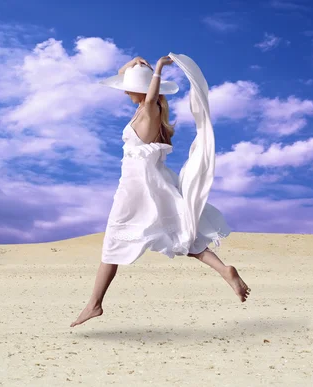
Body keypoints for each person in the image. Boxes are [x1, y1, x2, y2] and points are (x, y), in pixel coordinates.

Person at [70, 54, 250, 328]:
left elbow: (151, 96)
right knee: (180, 235)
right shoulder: (143, 110)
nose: (125, 90)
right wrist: (133, 63)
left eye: (131, 87)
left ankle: (94, 304)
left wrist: (159, 70)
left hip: (137, 186)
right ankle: (224, 270)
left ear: (143, 90)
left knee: (113, 243)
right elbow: (125, 81)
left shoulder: (149, 110)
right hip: (149, 181)